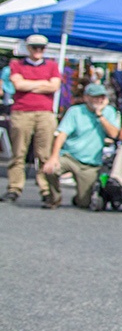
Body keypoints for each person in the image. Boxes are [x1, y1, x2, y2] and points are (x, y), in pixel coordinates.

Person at [43, 82, 120, 210]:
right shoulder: (75, 111)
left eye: (102, 97)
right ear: (86, 98)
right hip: (70, 156)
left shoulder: (109, 112)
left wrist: (100, 115)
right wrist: (54, 157)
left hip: (91, 163)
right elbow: (62, 134)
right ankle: (54, 198)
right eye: (95, 97)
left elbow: (114, 134)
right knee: (51, 169)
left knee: (84, 202)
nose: (99, 100)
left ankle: (79, 197)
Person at [7, 34, 63, 205]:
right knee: (18, 152)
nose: (38, 51)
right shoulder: (16, 64)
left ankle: (46, 190)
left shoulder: (52, 65)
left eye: (41, 48)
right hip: (21, 112)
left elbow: (54, 86)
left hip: (45, 113)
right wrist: (42, 84)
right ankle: (14, 187)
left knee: (44, 154)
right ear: (28, 48)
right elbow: (18, 85)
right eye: (34, 48)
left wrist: (29, 83)